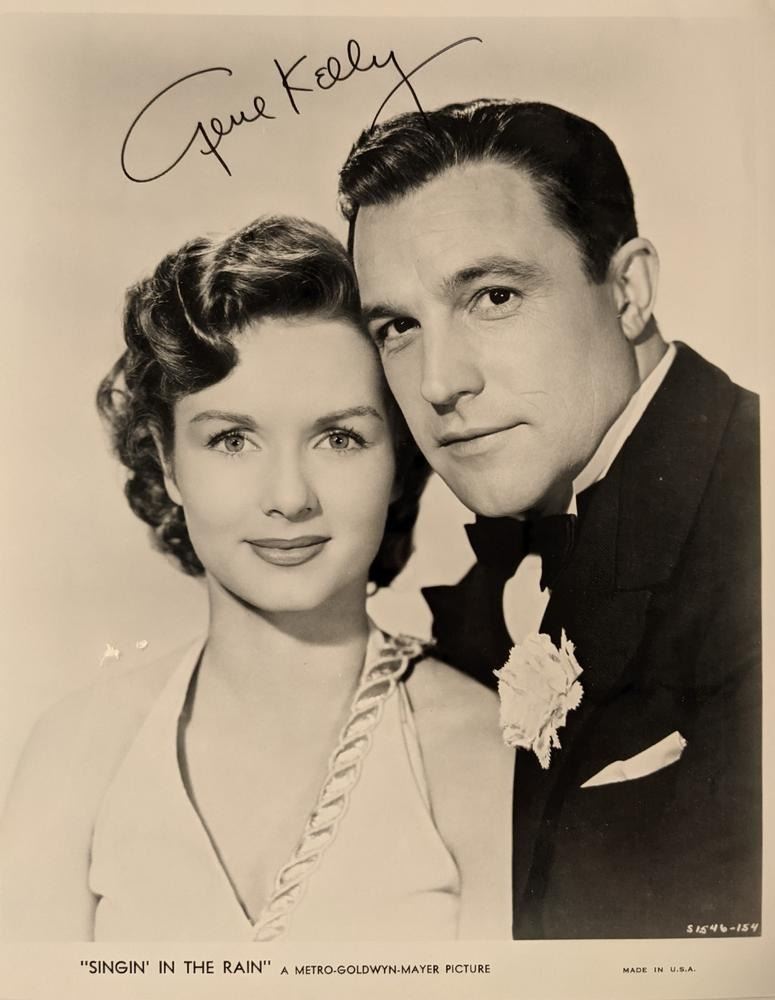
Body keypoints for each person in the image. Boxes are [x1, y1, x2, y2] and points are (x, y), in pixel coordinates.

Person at [0, 215, 513, 942]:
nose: (289, 497)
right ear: (168, 463)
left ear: (398, 458)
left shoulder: (482, 753)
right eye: (232, 439)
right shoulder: (75, 752)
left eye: (339, 437)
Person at [338, 99, 761, 939]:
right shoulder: (487, 584)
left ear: (628, 290)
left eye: (493, 296)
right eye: (398, 327)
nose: (438, 383)